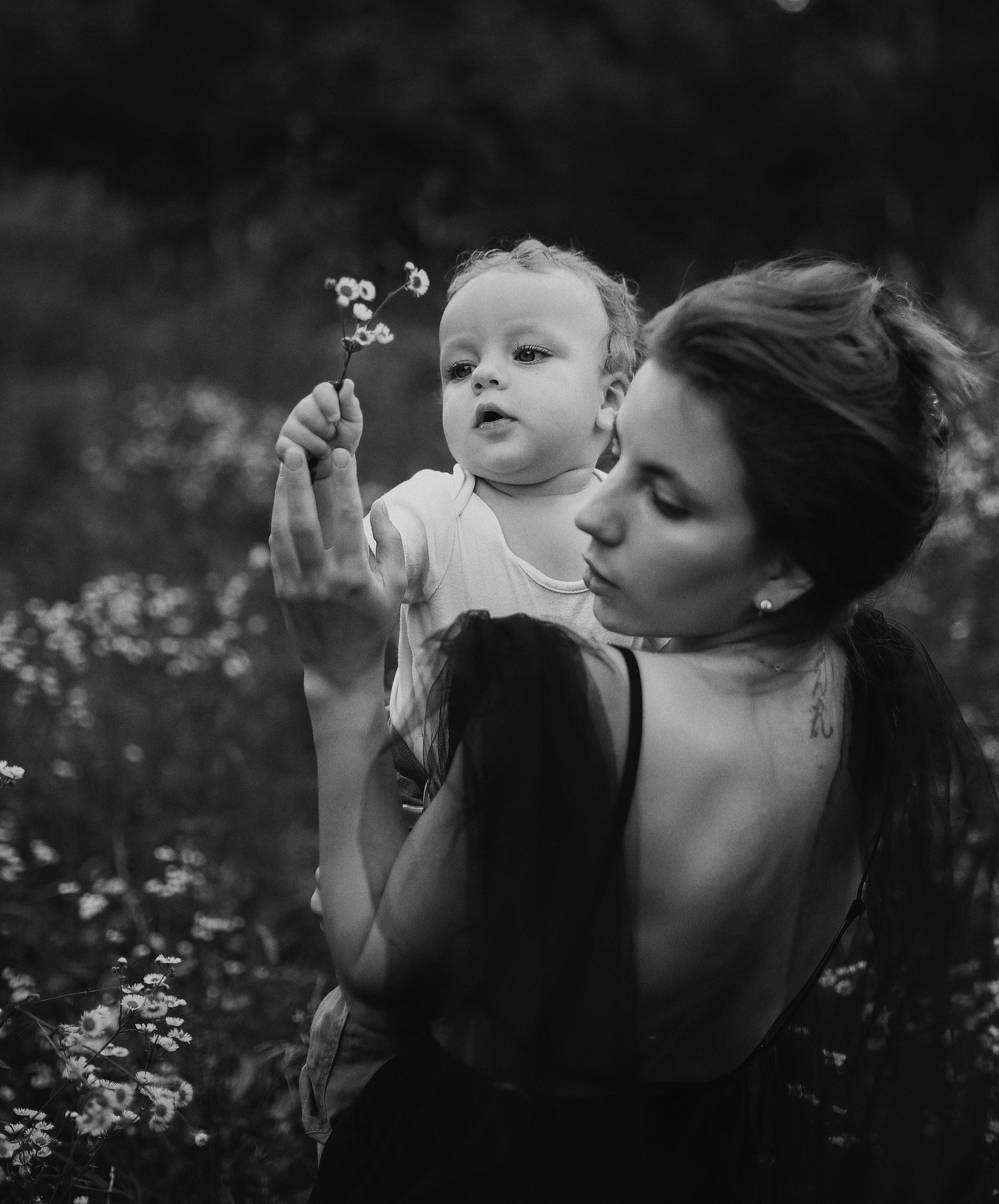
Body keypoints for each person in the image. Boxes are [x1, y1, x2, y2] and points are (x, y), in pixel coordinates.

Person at [270, 255, 999, 1202]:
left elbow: (380, 978)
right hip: (701, 1157)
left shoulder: (572, 709)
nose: (597, 514)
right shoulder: (870, 684)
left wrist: (338, 682)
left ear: (788, 560)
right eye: (627, 462)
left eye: (665, 497)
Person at [275, 238, 645, 1148]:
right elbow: (353, 576)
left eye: (528, 353)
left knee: (549, 1072)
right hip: (428, 830)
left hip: (589, 850)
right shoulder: (435, 508)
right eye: (458, 366)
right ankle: (361, 1139)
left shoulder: (630, 525)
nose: (485, 377)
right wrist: (324, 474)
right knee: (392, 1043)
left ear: (609, 400)